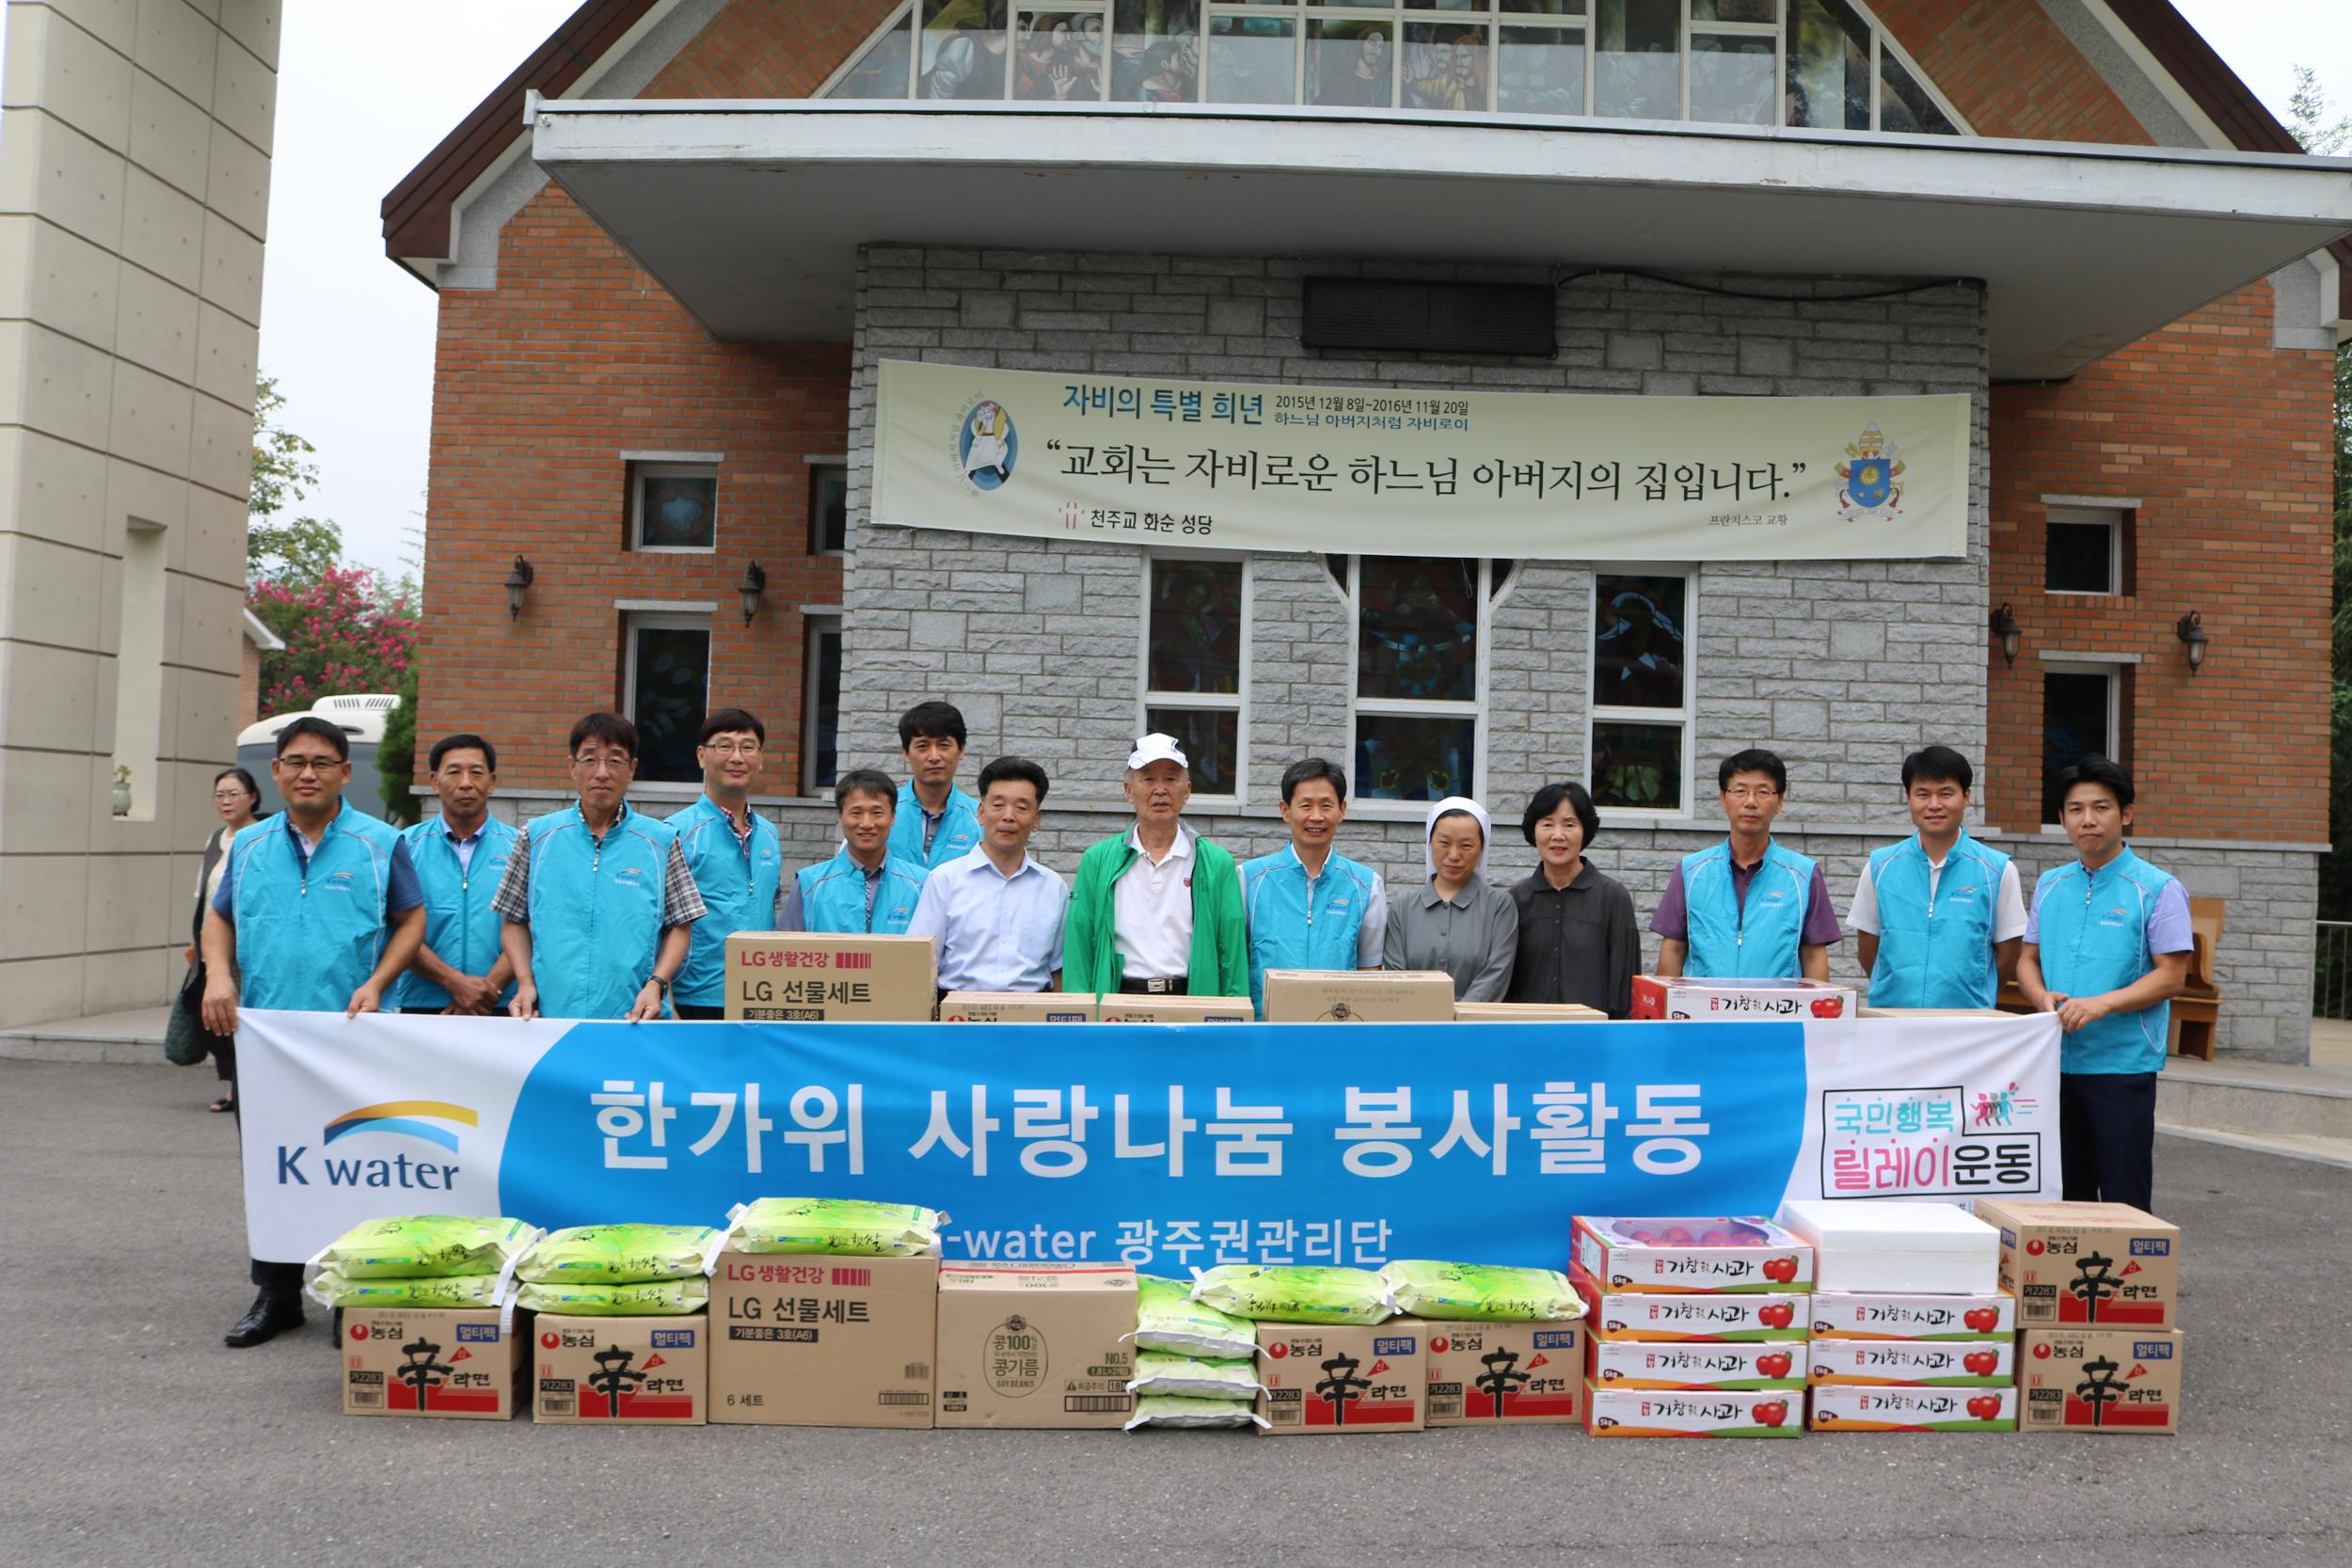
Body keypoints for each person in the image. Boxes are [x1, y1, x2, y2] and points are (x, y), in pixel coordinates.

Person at [199, 716, 424, 1348]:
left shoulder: (380, 842)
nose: (307, 772)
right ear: (275, 772)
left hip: (353, 1037)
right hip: (268, 1035)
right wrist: (219, 974)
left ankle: (351, 1292)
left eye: (322, 762)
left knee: (357, 1165)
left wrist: (379, 981)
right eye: (295, 760)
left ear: (345, 772)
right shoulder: (247, 845)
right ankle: (277, 1293)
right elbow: (218, 923)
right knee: (274, 1166)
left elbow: (411, 919)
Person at [2015, 756, 2191, 1211]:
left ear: (2125, 814)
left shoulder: (2158, 887)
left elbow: (2172, 976)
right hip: (2051, 1064)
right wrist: (2039, 995)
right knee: (2061, 1193)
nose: (2087, 820)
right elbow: (2026, 960)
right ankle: (2065, 1283)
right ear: (2061, 818)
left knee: (2123, 1196)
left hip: (2122, 1066)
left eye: (2101, 807)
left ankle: (2129, 1283)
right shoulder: (2051, 885)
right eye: (2075, 809)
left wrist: (2103, 1004)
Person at [493, 712, 705, 1022]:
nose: (602, 773)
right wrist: (524, 982)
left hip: (635, 1016)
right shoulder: (536, 836)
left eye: (615, 761)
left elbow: (681, 925)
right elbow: (512, 921)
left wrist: (656, 984)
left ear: (631, 769)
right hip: (552, 1018)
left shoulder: (660, 840)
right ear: (572, 767)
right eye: (590, 760)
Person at [1062, 733, 1248, 997]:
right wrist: (1080, 1015)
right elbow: (1080, 949)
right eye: (1148, 779)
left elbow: (1232, 954)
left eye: (1171, 779)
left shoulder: (1216, 863)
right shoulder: (1097, 860)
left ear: (1187, 790)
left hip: (1191, 1001)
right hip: (1118, 1003)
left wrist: (1232, 1017)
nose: (1160, 790)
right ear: (1129, 790)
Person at [1851, 746, 2026, 1010]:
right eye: (1923, 794)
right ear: (1908, 797)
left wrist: (1978, 992)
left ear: (1966, 796)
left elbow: (2009, 954)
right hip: (1893, 1019)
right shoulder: (1879, 866)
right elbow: (1867, 951)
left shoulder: (1998, 870)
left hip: (1967, 1024)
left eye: (1946, 793)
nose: (1934, 805)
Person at [1651, 749, 1840, 979]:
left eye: (1763, 792)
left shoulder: (1803, 874)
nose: (1751, 802)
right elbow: (1674, 948)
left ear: (1780, 801)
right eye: (1740, 791)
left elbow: (1813, 955)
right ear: (1723, 798)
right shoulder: (1691, 871)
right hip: (1706, 1011)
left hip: (1777, 1012)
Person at [907, 755, 1070, 992]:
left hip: (1032, 1019)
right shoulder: (945, 879)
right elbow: (919, 962)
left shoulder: (1053, 887)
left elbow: (1058, 969)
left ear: (1036, 820)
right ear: (981, 813)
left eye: (1022, 807)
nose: (1008, 816)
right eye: (998, 805)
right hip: (957, 1018)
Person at [1239, 758, 1386, 1013]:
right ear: (1285, 810)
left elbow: (1370, 971)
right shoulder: (1249, 878)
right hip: (1266, 1031)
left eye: (1326, 806)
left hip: (1337, 1032)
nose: (1316, 817)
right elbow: (1235, 963)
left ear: (1342, 810)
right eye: (1305, 805)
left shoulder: (1366, 885)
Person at [668, 708, 784, 1020]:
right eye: (724, 746)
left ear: (760, 759)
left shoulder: (769, 835)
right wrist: (668, 1002)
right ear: (701, 756)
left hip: (759, 999)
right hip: (694, 998)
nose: (737, 757)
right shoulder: (674, 833)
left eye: (747, 747)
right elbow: (656, 926)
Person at [392, 734, 518, 1015]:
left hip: (500, 1005)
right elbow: (396, 926)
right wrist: (454, 983)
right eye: (454, 772)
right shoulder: (402, 846)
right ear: (434, 782)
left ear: (492, 782)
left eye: (476, 772)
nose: (466, 783)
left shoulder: (521, 846)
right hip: (423, 1005)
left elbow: (531, 927)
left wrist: (484, 991)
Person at [1505, 781, 1640, 1017]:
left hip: (1592, 1040)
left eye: (1569, 825)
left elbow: (1625, 985)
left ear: (1585, 830)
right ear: (1533, 830)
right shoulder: (1515, 900)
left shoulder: (1612, 898)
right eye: (1547, 824)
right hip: (1528, 1039)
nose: (1558, 836)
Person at [1386, 796, 1518, 1002]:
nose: (1454, 855)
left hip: (1476, 1028)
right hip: (1415, 1026)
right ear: (1430, 843)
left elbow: (1497, 974)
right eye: (1444, 843)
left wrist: (1457, 1019)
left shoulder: (1499, 906)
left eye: (1466, 846)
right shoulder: (1402, 908)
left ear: (1482, 848)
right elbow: (1396, 976)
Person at [187, 767, 262, 1110]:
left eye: (234, 794)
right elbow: (203, 893)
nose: (226, 801)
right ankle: (233, 1085)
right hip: (212, 941)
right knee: (216, 1016)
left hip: (247, 942)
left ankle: (245, 1088)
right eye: (220, 795)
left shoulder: (262, 837)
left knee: (242, 1015)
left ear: (253, 798)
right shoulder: (216, 838)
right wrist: (196, 940)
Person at [778, 769, 930, 935]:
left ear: (893, 816)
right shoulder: (810, 883)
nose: (866, 824)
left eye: (877, 813)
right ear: (840, 817)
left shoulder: (921, 884)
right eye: (856, 813)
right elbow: (786, 948)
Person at [887, 699, 984, 871]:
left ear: (961, 750)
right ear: (906, 753)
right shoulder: (881, 811)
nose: (934, 756)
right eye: (922, 746)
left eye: (944, 745)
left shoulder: (981, 819)